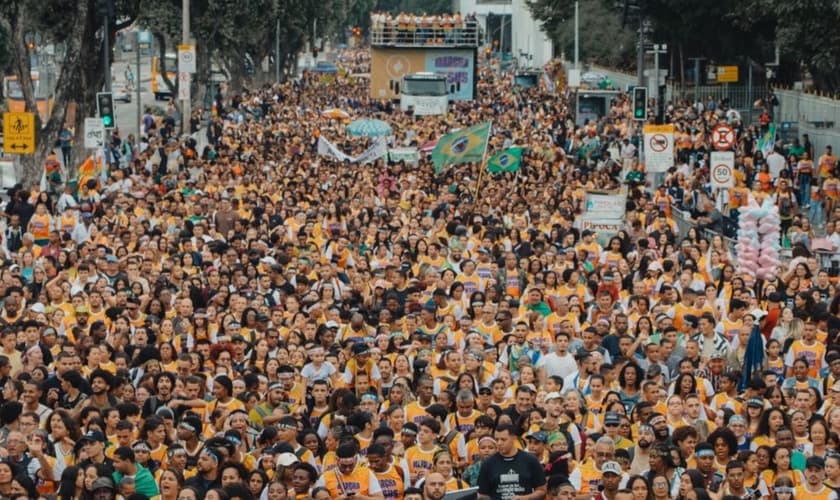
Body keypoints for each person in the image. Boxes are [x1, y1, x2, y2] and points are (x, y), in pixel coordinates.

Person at [477, 423, 546, 500]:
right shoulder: (488, 464)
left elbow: (542, 490)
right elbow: (482, 494)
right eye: (497, 439)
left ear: (514, 438)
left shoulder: (530, 460)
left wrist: (526, 498)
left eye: (503, 439)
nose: (499, 443)